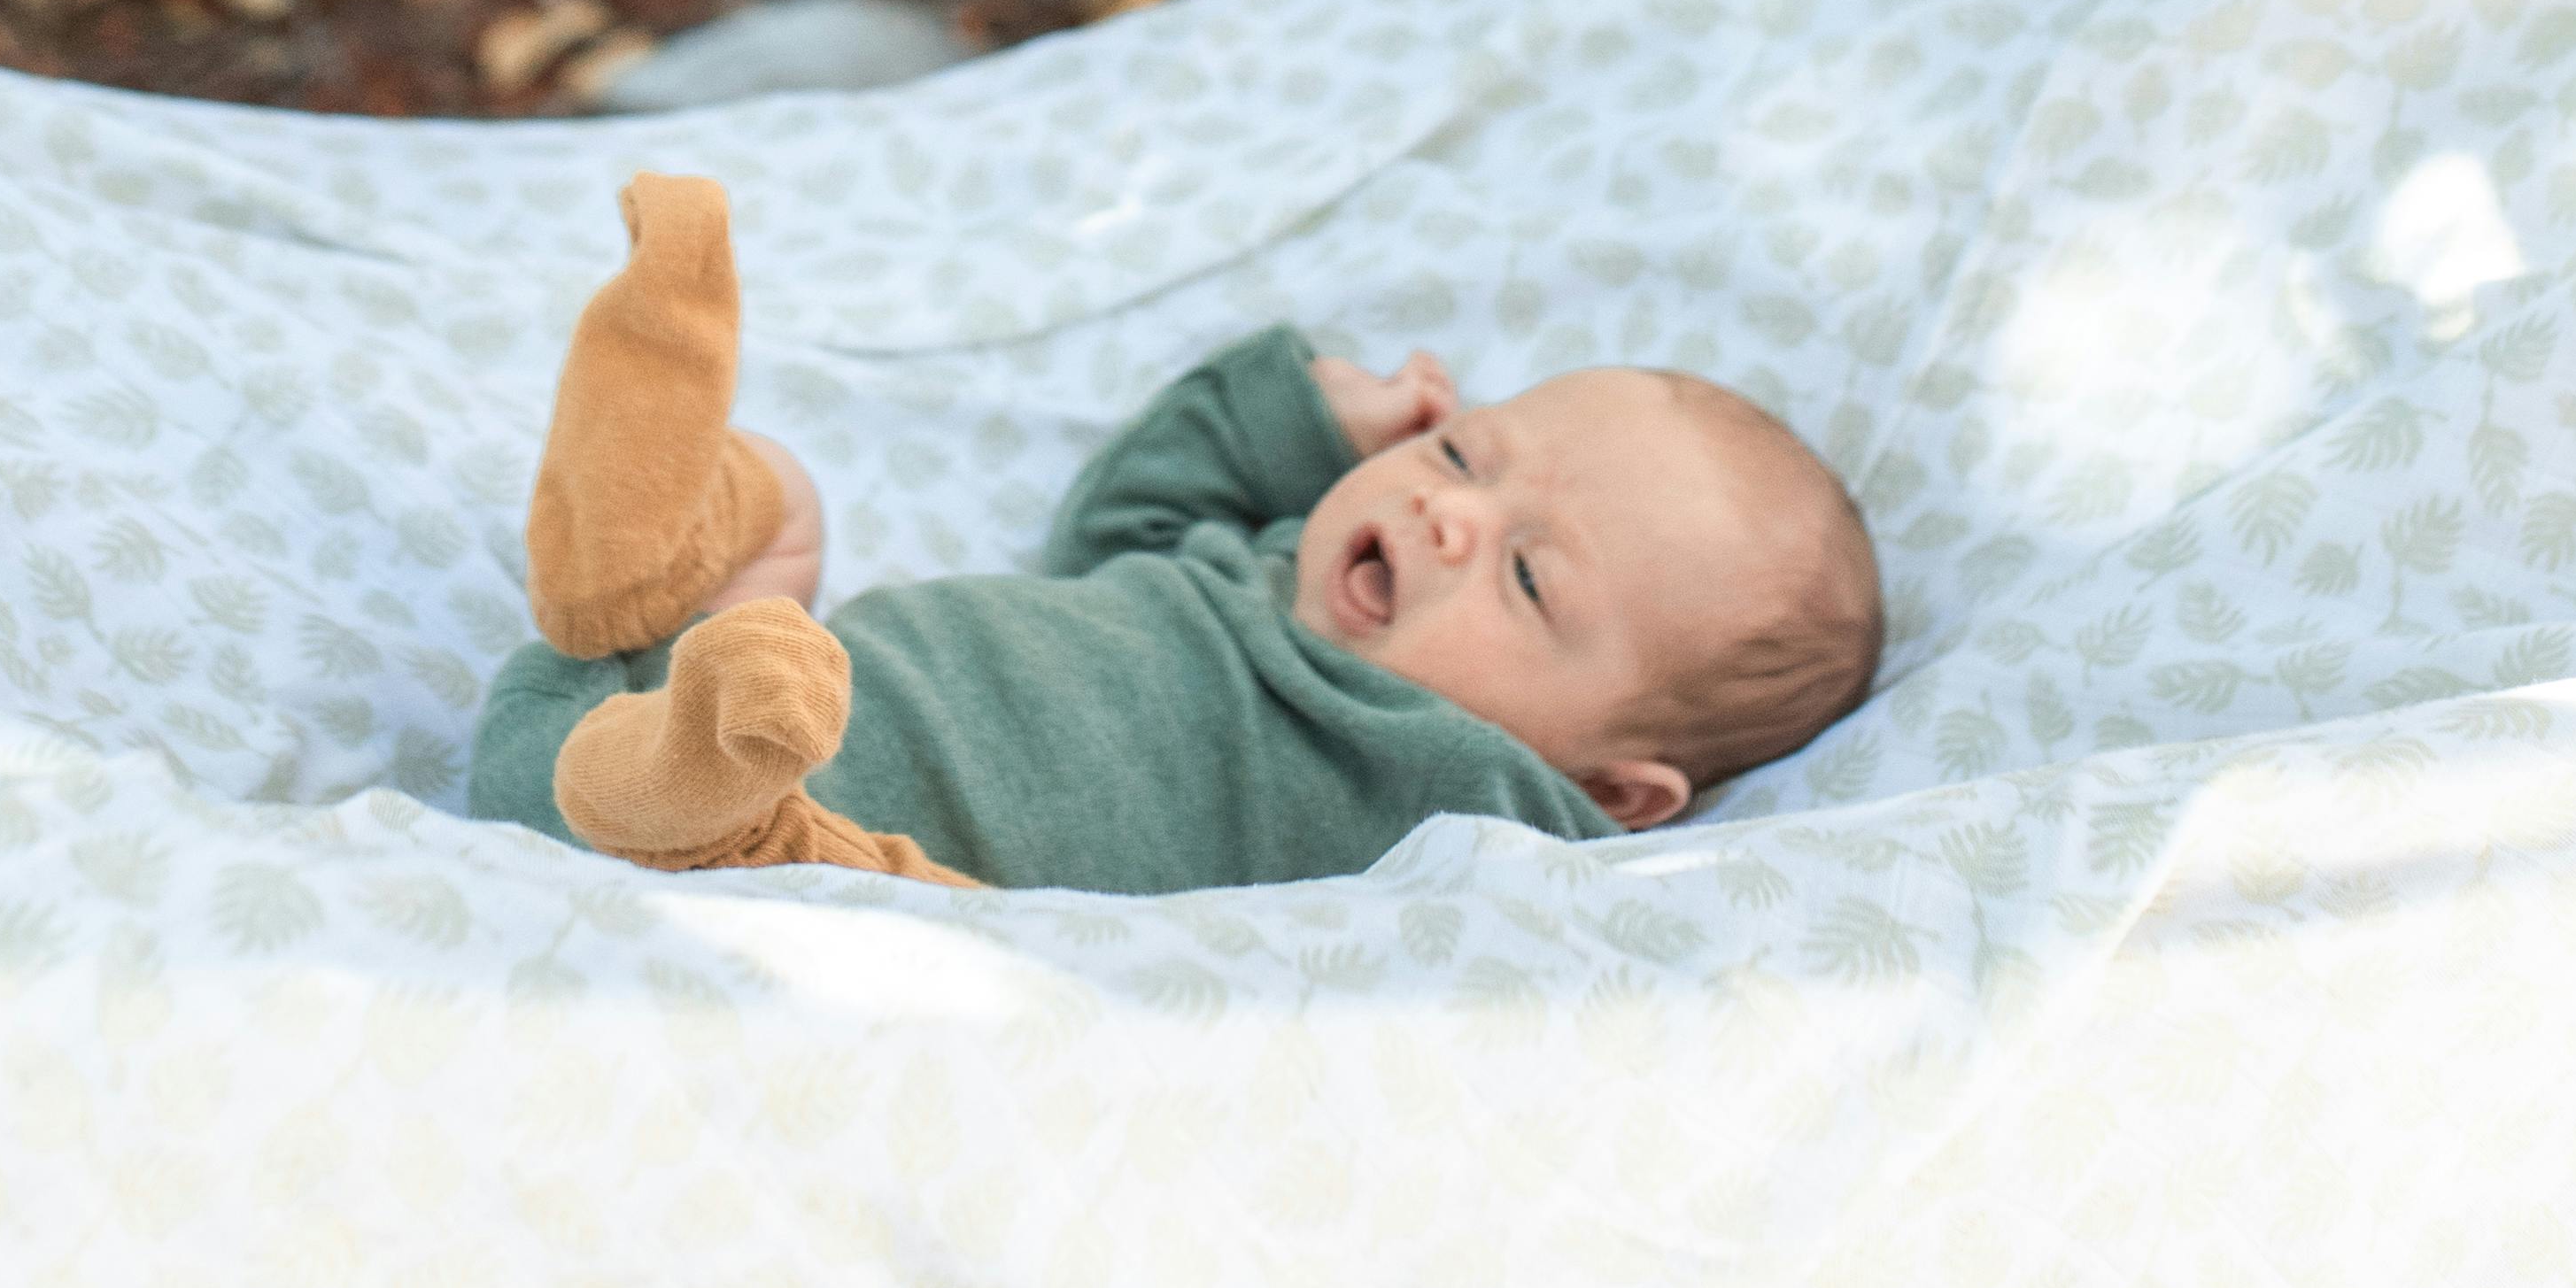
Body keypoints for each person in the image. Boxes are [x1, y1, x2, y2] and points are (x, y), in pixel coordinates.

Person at [468, 173, 1884, 895]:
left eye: (1526, 573)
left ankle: (688, 777)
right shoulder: (1257, 566)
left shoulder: (1465, 809)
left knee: (799, 818)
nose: (1449, 513)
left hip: (807, 864)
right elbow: (1130, 507)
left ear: (1618, 790)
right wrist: (1309, 420)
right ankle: (619, 602)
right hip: (706, 705)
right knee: (779, 506)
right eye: (1463, 455)